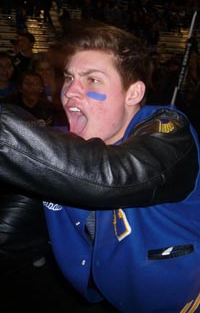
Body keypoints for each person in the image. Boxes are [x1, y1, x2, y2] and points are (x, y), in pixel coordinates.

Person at [0, 23, 200, 313]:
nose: (69, 92)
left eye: (92, 80)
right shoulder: (58, 154)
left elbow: (109, 176)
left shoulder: (170, 132)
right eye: (69, 78)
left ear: (133, 93)